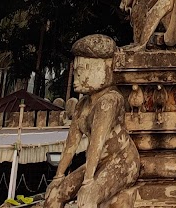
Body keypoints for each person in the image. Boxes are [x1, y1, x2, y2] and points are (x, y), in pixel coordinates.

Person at [43, 35, 138, 208]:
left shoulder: (109, 101)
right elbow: (71, 145)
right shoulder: (82, 105)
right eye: (77, 71)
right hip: (97, 163)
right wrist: (58, 177)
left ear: (102, 69)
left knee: (87, 200)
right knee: (53, 197)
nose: (77, 78)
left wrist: (88, 183)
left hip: (122, 161)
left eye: (83, 71)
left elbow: (97, 143)